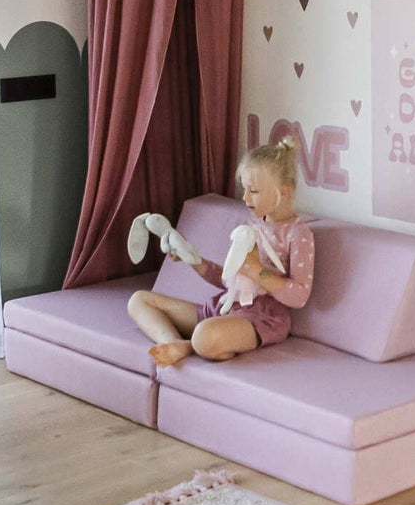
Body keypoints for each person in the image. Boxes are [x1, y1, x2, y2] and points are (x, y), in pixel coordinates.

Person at [126, 138, 315, 367]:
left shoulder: (297, 234)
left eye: (253, 191)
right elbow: (228, 279)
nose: (245, 198)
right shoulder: (252, 225)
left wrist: (256, 271)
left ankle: (188, 345)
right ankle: (172, 342)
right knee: (139, 301)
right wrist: (194, 260)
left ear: (283, 191)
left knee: (204, 336)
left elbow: (299, 296)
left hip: (263, 318)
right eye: (243, 189)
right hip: (224, 307)